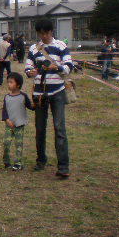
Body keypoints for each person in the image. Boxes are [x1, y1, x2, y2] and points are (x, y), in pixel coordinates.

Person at [25, 18, 75, 178]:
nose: (43, 36)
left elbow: (68, 67)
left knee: (59, 129)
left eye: (46, 33)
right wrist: (30, 72)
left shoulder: (61, 46)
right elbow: (28, 67)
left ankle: (63, 166)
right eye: (40, 33)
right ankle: (41, 160)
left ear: (51, 31)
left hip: (58, 92)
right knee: (40, 129)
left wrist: (58, 67)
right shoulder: (34, 48)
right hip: (40, 94)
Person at [1, 72, 35, 170]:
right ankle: (6, 161)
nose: (9, 84)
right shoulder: (7, 97)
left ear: (18, 85)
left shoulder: (23, 96)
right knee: (6, 144)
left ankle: (18, 163)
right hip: (9, 125)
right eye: (8, 82)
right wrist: (7, 120)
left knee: (18, 144)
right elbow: (4, 110)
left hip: (19, 125)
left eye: (11, 82)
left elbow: (30, 106)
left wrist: (37, 104)